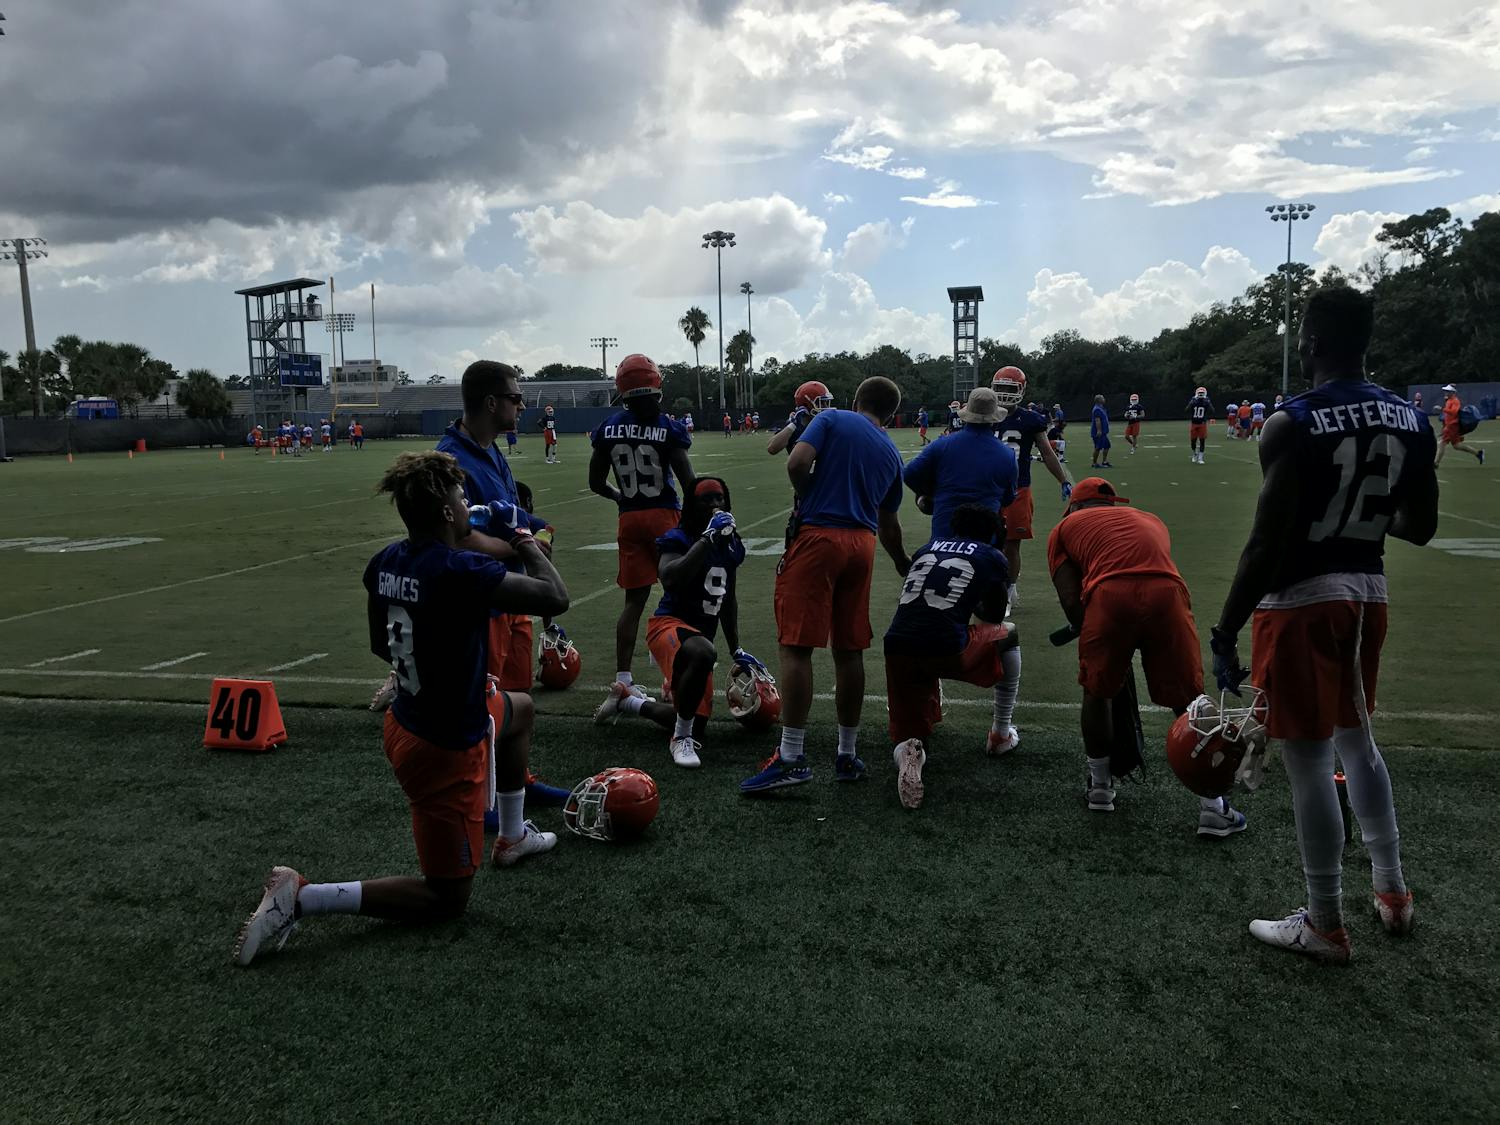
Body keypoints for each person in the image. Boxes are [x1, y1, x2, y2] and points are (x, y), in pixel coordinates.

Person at [231, 451, 570, 967]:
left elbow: (379, 646)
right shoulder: (459, 568)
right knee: (447, 898)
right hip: (443, 744)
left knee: (519, 710)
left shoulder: (386, 560)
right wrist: (524, 537)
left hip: (414, 713)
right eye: (460, 498)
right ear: (446, 513)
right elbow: (555, 596)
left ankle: (513, 836)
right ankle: (301, 896)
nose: (467, 505)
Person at [1210, 287, 1439, 963]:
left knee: (1308, 760)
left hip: (1305, 598)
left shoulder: (1293, 421)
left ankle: (1325, 919)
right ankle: (1393, 889)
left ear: (1309, 341)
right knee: (1358, 740)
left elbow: (1265, 544)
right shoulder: (1410, 418)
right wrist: (1365, 517)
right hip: (1369, 592)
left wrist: (1224, 629)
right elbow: (1418, 525)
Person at [1047, 477, 1245, 835]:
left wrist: (1089, 630)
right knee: (1190, 699)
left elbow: (1070, 599)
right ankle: (1213, 806)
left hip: (1108, 596)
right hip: (1168, 593)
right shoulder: (1149, 518)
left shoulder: (1065, 527)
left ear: (1074, 507)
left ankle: (1101, 788)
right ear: (1113, 505)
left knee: (1097, 692)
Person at [741, 376, 910, 793]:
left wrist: (810, 496)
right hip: (863, 544)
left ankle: (792, 757)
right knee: (848, 648)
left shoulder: (832, 418)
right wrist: (902, 561)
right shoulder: (891, 449)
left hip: (820, 536)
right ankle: (847, 754)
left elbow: (796, 462)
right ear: (890, 414)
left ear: (856, 400)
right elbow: (889, 524)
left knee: (796, 646)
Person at [427, 361, 568, 805]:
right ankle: (480, 797)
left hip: (511, 593)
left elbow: (507, 514)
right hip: (480, 599)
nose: (522, 405)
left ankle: (514, 784)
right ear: (491, 403)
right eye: (515, 397)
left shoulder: (490, 449)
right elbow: (459, 538)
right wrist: (522, 546)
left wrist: (537, 527)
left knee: (516, 699)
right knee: (483, 706)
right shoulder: (450, 460)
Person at [593, 478, 760, 768]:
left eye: (720, 499)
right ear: (692, 506)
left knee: (698, 722)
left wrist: (737, 649)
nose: (715, 505)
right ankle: (680, 739)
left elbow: (727, 599)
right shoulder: (678, 538)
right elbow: (669, 577)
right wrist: (705, 541)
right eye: (707, 500)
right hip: (668, 626)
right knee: (703, 652)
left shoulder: (732, 545)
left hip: (698, 637)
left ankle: (627, 702)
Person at [884, 504, 1023, 807]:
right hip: (945, 648)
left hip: (897, 646)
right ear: (990, 534)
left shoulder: (925, 549)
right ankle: (1000, 733)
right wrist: (970, 602)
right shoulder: (991, 555)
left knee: (909, 732)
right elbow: (996, 614)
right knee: (1009, 632)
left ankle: (910, 751)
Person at [588, 354, 695, 700]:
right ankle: (672, 676)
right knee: (678, 598)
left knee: (633, 603)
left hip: (630, 517)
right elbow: (689, 482)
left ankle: (623, 679)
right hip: (664, 516)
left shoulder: (609, 428)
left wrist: (620, 496)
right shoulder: (667, 427)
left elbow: (595, 482)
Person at [991, 367, 1072, 612]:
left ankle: (1008, 589)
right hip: (987, 488)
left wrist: (1063, 479)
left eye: (1009, 388)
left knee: (1012, 544)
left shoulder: (1030, 419)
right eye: (1001, 388)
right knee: (988, 541)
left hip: (1018, 489)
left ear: (1022, 390)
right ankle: (989, 588)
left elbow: (1047, 452)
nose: (1004, 394)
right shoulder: (985, 413)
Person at [903, 387, 1017, 543]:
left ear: (967, 414)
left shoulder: (941, 445)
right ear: (994, 418)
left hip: (943, 540)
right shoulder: (1007, 455)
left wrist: (927, 494)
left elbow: (909, 474)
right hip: (984, 542)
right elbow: (1008, 499)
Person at [1436, 383, 1484, 466]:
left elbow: (1454, 412)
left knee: (1442, 443)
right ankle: (1478, 453)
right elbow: (1447, 416)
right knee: (1456, 446)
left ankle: (1436, 463)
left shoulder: (1455, 401)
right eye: (1445, 391)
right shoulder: (1449, 400)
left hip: (1452, 426)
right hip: (1450, 426)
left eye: (1447, 391)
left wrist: (1442, 409)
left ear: (1452, 393)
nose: (1445, 392)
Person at [1187, 386, 1213, 464]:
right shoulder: (1194, 400)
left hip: (1202, 424)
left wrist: (1209, 403)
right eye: (1199, 393)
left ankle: (1200, 457)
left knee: (1202, 441)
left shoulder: (1206, 402)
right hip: (1194, 423)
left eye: (1202, 393)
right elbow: (1186, 410)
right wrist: (1191, 403)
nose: (1201, 394)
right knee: (1193, 441)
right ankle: (1194, 454)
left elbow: (1212, 410)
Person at [1090, 395, 1112, 467]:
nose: (1104, 399)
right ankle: (1094, 463)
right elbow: (1097, 420)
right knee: (1098, 447)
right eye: (1102, 398)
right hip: (1099, 433)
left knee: (1107, 446)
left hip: (1104, 432)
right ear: (1099, 400)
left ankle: (1104, 461)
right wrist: (1099, 430)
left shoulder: (1101, 408)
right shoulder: (1097, 409)